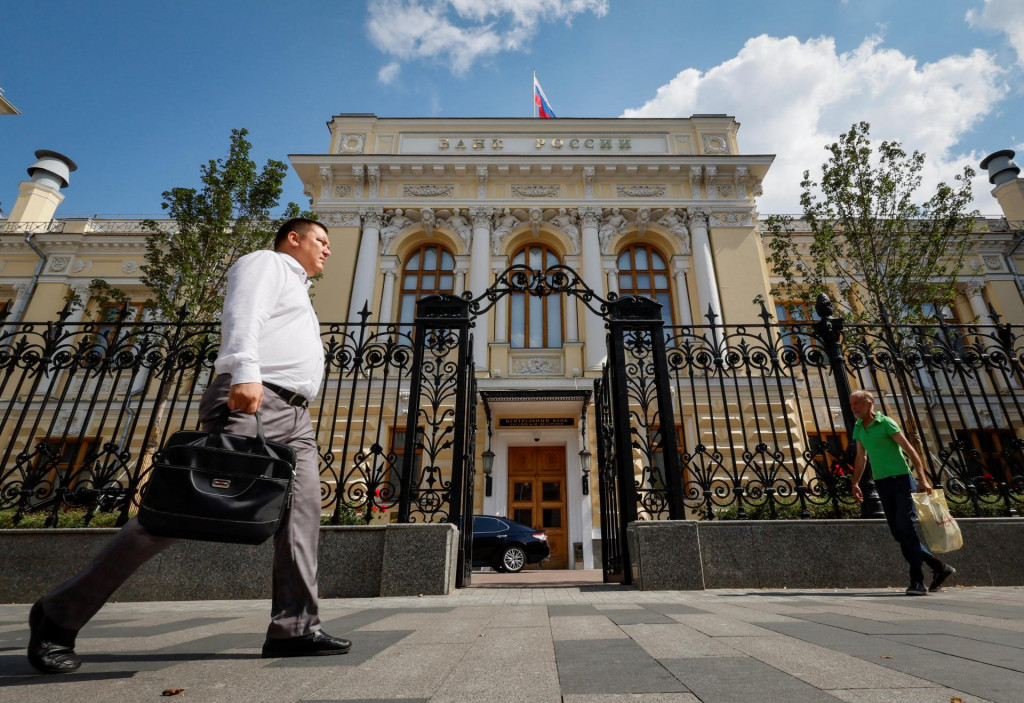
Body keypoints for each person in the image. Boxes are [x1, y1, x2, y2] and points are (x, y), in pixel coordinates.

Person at [27, 218, 351, 674]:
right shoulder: (267, 263)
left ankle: (295, 628)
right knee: (182, 511)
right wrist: (243, 371)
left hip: (295, 415)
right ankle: (58, 614)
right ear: (292, 239)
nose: (328, 250)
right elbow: (244, 313)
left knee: (302, 518)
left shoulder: (297, 287)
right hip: (258, 400)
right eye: (321, 240)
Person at [848, 390, 956, 596]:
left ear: (869, 403)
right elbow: (861, 458)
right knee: (898, 532)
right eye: (851, 403)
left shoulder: (886, 422)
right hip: (882, 483)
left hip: (902, 481)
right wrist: (855, 483)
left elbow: (910, 450)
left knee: (905, 528)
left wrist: (922, 479)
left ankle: (917, 580)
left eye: (857, 403)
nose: (853, 407)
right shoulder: (859, 427)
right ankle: (939, 567)